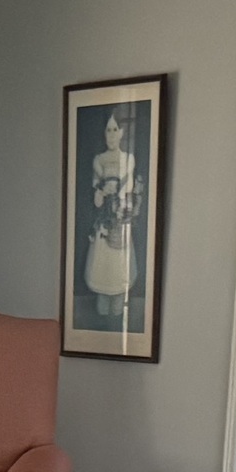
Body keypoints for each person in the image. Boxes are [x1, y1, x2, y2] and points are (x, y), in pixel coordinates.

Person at [83, 106, 142, 328]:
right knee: (102, 267)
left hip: (120, 223)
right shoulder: (98, 160)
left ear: (122, 132)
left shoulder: (128, 159)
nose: (111, 135)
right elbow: (97, 198)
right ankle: (100, 318)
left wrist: (119, 199)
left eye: (115, 129)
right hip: (103, 223)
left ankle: (117, 315)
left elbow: (126, 192)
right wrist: (101, 192)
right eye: (108, 130)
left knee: (118, 270)